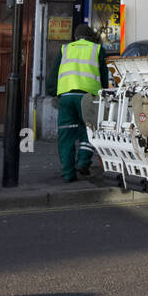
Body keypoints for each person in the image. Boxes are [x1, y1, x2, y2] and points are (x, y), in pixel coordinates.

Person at [46, 23, 109, 182]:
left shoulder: (65, 49)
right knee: (89, 131)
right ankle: (82, 161)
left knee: (66, 136)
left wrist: (54, 92)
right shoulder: (97, 50)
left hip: (66, 97)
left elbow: (54, 75)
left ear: (75, 37)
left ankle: (68, 174)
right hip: (87, 98)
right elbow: (103, 76)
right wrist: (104, 94)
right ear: (90, 37)